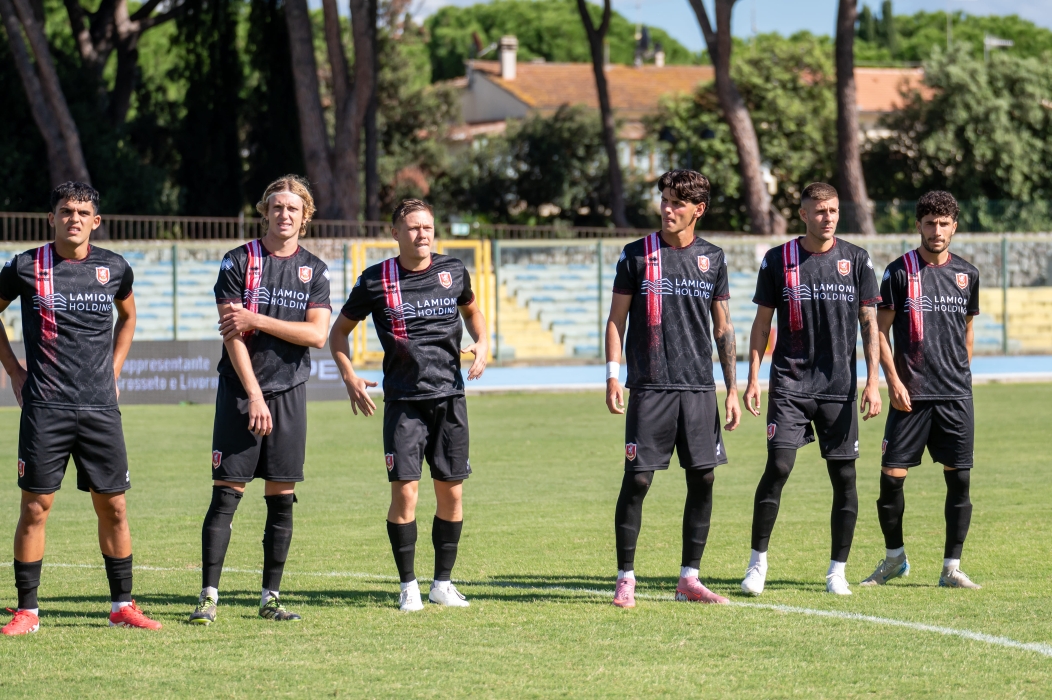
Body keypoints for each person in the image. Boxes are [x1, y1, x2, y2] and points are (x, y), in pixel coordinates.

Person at [0, 182, 161, 635]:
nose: (74, 218)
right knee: (36, 506)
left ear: (96, 221)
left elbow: (128, 317)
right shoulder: (27, 266)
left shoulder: (114, 267)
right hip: (45, 405)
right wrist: (14, 370)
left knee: (114, 507)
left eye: (83, 212)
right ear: (51, 218)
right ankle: (28, 611)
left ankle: (122, 607)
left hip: (100, 408)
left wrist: (115, 369)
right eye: (66, 211)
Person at [329, 199, 487, 612]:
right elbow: (338, 333)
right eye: (413, 227)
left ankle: (442, 585)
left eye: (428, 227)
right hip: (404, 403)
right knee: (406, 495)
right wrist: (349, 377)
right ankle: (408, 586)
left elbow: (472, 311)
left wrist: (483, 343)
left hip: (450, 398)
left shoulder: (453, 271)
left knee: (452, 496)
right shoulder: (376, 280)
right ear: (395, 233)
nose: (422, 234)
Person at [188, 175, 331, 625]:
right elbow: (232, 335)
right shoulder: (238, 261)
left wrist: (257, 319)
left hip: (289, 392)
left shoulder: (315, 270)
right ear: (265, 212)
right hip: (240, 392)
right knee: (226, 494)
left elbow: (318, 335)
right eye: (277, 207)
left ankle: (271, 598)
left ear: (305, 217)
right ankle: (208, 597)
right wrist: (253, 394)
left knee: (282, 497)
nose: (284, 214)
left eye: (293, 208)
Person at [605, 170, 740, 609]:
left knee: (704, 477)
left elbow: (723, 327)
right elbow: (616, 320)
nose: (668, 208)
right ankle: (626, 578)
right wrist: (612, 375)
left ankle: (689, 579)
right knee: (639, 479)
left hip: (698, 387)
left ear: (698, 209)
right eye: (664, 200)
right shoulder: (636, 254)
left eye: (678, 202)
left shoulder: (713, 258)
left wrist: (732, 389)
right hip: (649, 385)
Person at [741, 182, 882, 597]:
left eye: (833, 210)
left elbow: (870, 324)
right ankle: (757, 565)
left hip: (839, 387)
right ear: (804, 214)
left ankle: (837, 571)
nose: (828, 217)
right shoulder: (778, 259)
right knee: (779, 466)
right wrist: (752, 377)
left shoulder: (856, 259)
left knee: (845, 477)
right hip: (790, 383)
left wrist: (873, 382)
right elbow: (762, 324)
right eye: (820, 211)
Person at [862, 191, 982, 589]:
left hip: (954, 396)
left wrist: (961, 374)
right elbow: (879, 331)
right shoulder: (899, 272)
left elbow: (967, 331)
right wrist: (893, 381)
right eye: (930, 223)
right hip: (910, 396)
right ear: (918, 225)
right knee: (891, 477)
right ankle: (894, 558)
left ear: (954, 227)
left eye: (944, 223)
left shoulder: (967, 274)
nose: (937, 230)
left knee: (959, 480)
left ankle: (951, 568)